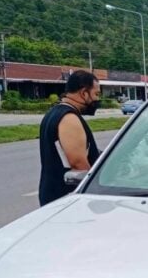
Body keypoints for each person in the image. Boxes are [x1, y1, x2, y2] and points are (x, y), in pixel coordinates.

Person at [38, 70, 101, 206]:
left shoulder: (53, 113)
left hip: (53, 195)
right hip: (65, 198)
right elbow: (78, 163)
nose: (97, 99)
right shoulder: (69, 118)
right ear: (84, 93)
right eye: (96, 94)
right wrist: (95, 189)